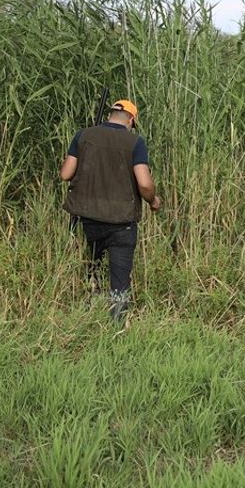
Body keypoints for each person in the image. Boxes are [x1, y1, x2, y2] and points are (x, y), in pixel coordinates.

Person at [60, 99, 161, 325]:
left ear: (110, 115)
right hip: (121, 221)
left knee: (90, 268)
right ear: (131, 120)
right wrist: (153, 200)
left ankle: (85, 315)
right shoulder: (135, 142)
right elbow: (144, 184)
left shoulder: (83, 135)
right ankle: (117, 323)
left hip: (87, 219)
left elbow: (65, 174)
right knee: (119, 276)